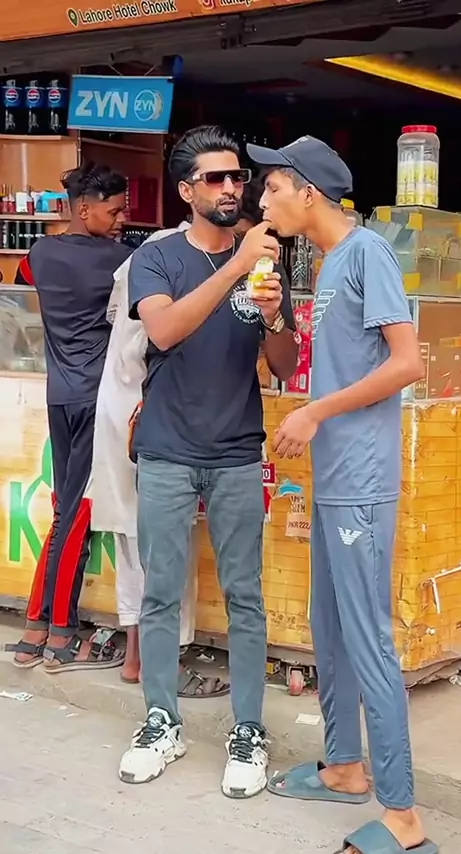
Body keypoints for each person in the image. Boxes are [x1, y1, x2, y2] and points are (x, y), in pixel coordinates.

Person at [247, 137, 436, 854]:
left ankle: (403, 815)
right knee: (329, 629)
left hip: (360, 481)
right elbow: (334, 364)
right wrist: (275, 319)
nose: (262, 201)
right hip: (332, 479)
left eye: (272, 188)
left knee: (367, 638)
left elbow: (408, 363)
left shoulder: (367, 254)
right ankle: (345, 766)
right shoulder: (328, 265)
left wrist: (315, 413)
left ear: (309, 193)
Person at [119, 124, 298, 795]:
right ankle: (161, 721)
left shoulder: (267, 262)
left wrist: (274, 317)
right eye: (215, 178)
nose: (231, 188)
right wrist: (235, 267)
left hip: (236, 451)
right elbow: (164, 329)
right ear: (186, 191)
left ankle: (248, 729)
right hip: (167, 447)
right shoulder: (158, 258)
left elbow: (284, 365)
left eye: (236, 177)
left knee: (245, 596)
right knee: (162, 591)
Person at [90, 219, 228, 697]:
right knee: (168, 543)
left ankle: (136, 655)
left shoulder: (145, 254)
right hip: (149, 413)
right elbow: (165, 335)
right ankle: (162, 663)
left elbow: (117, 319)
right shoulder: (175, 257)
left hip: (123, 407)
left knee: (137, 541)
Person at [8, 163, 132, 673]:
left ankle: (37, 629)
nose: (122, 219)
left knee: (66, 510)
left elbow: (21, 288)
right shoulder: (121, 261)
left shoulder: (40, 253)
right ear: (84, 208)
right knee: (75, 514)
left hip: (60, 396)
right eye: (115, 210)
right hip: (97, 400)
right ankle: (57, 631)